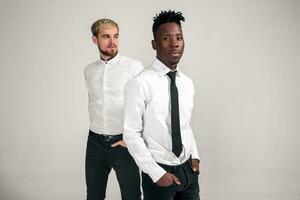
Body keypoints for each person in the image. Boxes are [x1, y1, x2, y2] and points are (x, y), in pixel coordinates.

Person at [123, 10, 200, 200]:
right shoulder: (140, 83)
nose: (174, 43)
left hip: (188, 171)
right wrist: (156, 174)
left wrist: (195, 156)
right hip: (159, 173)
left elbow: (185, 125)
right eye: (166, 38)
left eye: (179, 37)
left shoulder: (187, 83)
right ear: (154, 44)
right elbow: (131, 133)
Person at [84, 18, 143, 200]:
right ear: (95, 40)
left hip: (123, 143)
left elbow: (146, 106)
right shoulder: (89, 70)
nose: (113, 42)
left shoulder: (133, 67)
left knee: (131, 195)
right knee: (93, 196)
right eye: (106, 37)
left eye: (116, 36)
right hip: (95, 143)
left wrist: (133, 138)